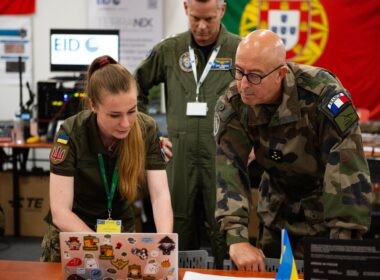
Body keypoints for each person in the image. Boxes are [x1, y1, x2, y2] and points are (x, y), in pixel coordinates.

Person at [214, 29, 373, 271]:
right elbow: (229, 169)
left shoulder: (323, 95)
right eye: (238, 71)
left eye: (255, 76)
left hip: (327, 216)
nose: (243, 84)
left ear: (280, 74)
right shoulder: (234, 103)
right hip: (276, 214)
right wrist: (236, 238)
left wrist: (343, 245)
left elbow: (346, 171)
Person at [134, 0, 240, 268]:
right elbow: (135, 88)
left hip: (222, 158)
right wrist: (151, 134)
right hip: (179, 158)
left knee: (226, 228)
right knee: (178, 229)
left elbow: (260, 97)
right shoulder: (170, 49)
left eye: (209, 19)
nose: (201, 27)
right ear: (185, 9)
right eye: (195, 18)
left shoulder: (239, 50)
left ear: (222, 10)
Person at [40, 55, 173, 262]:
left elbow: (160, 195)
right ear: (93, 105)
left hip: (121, 235)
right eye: (114, 115)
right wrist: (101, 248)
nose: (126, 123)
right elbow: (60, 212)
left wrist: (165, 240)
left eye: (131, 111)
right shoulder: (72, 132)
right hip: (73, 236)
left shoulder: (146, 128)